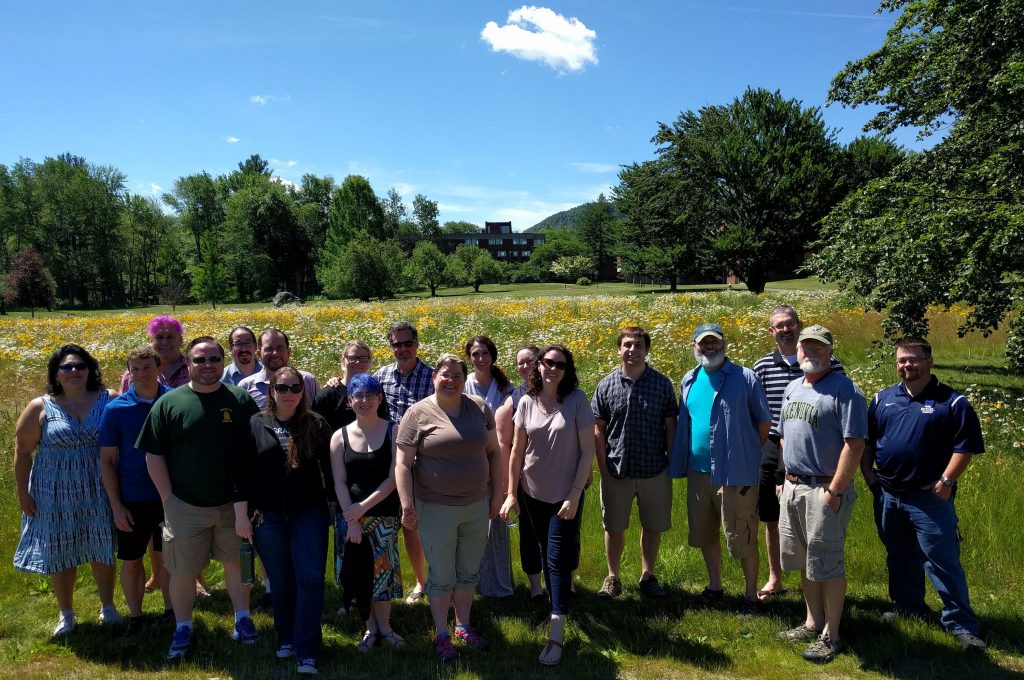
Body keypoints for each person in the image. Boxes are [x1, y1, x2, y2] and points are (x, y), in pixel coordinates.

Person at [137, 336, 260, 661]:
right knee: (182, 570)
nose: (208, 366)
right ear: (187, 364)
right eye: (200, 360)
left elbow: (253, 452)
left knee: (237, 564)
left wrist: (247, 502)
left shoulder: (240, 399)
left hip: (233, 507)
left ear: (223, 362)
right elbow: (153, 455)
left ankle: (242, 619)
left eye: (213, 359)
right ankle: (183, 625)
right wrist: (168, 499)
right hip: (185, 506)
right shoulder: (170, 403)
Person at [862, 336, 987, 652]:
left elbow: (965, 447)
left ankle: (962, 625)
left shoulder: (952, 402)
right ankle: (908, 606)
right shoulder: (882, 399)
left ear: (929, 361)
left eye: (914, 359)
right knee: (899, 555)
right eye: (902, 360)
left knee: (941, 561)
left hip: (929, 498)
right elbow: (865, 441)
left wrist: (946, 481)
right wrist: (869, 477)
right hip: (888, 495)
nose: (907, 365)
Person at [395, 354, 501, 662]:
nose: (451, 380)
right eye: (445, 374)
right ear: (434, 378)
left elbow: (494, 451)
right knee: (441, 575)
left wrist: (498, 494)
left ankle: (463, 626)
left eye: (457, 375)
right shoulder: (417, 414)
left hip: (477, 505)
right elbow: (402, 464)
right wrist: (407, 504)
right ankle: (441, 634)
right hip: (435, 507)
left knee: (468, 572)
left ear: (463, 378)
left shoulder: (480, 408)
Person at [13, 344, 119, 636]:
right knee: (61, 551)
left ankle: (108, 607)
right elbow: (22, 452)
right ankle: (66, 614)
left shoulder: (109, 399)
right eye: (67, 367)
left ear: (90, 370)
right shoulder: (40, 406)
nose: (74, 371)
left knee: (102, 547)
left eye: (80, 366)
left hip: (98, 486)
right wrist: (24, 493)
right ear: (56, 373)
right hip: (54, 491)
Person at [236, 366, 335, 676]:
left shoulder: (316, 424)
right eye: (282, 388)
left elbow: (331, 472)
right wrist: (242, 514)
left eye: (295, 388)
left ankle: (307, 649)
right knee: (280, 580)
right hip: (267, 515)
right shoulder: (255, 423)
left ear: (303, 392)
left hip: (309, 513)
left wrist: (333, 506)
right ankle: (287, 637)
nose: (289, 394)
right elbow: (241, 472)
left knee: (310, 579)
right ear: (272, 391)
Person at [776, 325, 867, 663]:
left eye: (819, 347)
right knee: (804, 560)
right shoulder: (792, 388)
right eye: (806, 347)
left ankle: (832, 634)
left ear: (830, 351)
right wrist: (787, 476)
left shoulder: (846, 390)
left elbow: (855, 444)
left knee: (826, 563)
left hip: (825, 489)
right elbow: (783, 434)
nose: (811, 353)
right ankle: (812, 621)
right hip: (793, 486)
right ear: (797, 351)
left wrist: (835, 490)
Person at [501, 345, 595, 666]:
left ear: (567, 370)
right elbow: (516, 452)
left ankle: (556, 634)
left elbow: (587, 453)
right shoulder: (525, 402)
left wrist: (574, 493)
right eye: (547, 362)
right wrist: (511, 494)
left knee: (556, 558)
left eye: (560, 364)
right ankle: (553, 603)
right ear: (538, 365)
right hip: (531, 494)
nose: (552, 368)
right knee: (542, 552)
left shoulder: (578, 401)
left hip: (563, 498)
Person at [670, 323, 771, 612]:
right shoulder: (689, 379)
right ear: (694, 347)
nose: (710, 347)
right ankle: (715, 587)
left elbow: (763, 424)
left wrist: (745, 453)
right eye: (704, 343)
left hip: (735, 475)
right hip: (699, 473)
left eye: (715, 342)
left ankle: (751, 595)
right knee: (706, 534)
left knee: (743, 536)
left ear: (724, 345)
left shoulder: (745, 378)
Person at [753, 305, 844, 599]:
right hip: (773, 444)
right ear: (771, 332)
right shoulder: (762, 366)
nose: (785, 330)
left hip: (813, 445)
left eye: (790, 324)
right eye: (779, 326)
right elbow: (756, 409)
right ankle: (775, 576)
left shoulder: (829, 363)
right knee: (771, 514)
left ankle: (820, 579)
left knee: (816, 516)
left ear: (799, 325)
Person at [591, 327, 678, 599]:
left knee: (652, 526)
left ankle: (647, 575)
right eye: (627, 344)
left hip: (655, 469)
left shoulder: (662, 384)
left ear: (646, 349)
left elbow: (670, 426)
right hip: (618, 470)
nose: (632, 349)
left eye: (638, 344)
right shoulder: (606, 385)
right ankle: (613, 576)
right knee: (614, 527)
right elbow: (598, 429)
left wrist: (672, 463)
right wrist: (603, 468)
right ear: (619, 349)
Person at [99, 346, 173, 635]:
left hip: (169, 497)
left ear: (158, 368)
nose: (142, 374)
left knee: (169, 558)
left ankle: (172, 611)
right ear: (128, 372)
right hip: (132, 498)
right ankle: (136, 616)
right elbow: (107, 460)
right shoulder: (116, 409)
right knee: (131, 561)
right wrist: (116, 505)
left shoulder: (174, 400)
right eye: (135, 369)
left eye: (147, 367)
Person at [330, 373, 405, 653]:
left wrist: (363, 508)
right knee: (359, 574)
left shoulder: (393, 431)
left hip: (383, 516)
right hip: (349, 519)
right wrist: (352, 517)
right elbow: (338, 481)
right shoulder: (340, 436)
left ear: (379, 398)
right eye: (358, 396)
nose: (364, 401)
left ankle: (385, 627)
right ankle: (369, 627)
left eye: (369, 395)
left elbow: (393, 478)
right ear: (350, 400)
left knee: (383, 577)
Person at [374, 321, 433, 603]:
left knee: (422, 527)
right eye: (397, 344)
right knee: (400, 523)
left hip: (425, 463)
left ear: (417, 344)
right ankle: (415, 581)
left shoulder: (433, 376)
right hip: (389, 463)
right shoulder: (381, 376)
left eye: (407, 343)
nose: (402, 349)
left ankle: (430, 581)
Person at [495, 344, 547, 601]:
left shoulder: (556, 392)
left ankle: (563, 584)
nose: (525, 367)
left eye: (530, 361)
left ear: (541, 362)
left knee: (559, 533)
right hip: (525, 479)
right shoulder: (513, 399)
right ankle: (536, 588)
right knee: (529, 533)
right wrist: (509, 488)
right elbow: (504, 444)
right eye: (520, 363)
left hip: (555, 475)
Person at [464, 335, 514, 598]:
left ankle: (499, 584)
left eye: (484, 353)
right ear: (469, 358)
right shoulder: (463, 385)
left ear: (492, 356)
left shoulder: (506, 388)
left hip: (498, 464)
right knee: (471, 528)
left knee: (496, 525)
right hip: (469, 466)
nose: (480, 359)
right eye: (474, 354)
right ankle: (474, 584)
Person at [312, 339, 388, 434]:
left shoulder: (376, 391)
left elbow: (382, 423)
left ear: (369, 361)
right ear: (344, 360)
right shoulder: (327, 395)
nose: (357, 362)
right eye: (352, 358)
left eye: (363, 358)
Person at [239, 328, 319, 410]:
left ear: (289, 352)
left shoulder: (308, 380)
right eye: (269, 349)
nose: (275, 353)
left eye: (280, 348)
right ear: (259, 354)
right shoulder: (246, 387)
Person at [120, 315, 190, 391]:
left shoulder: (193, 369)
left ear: (180, 340)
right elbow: (123, 401)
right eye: (159, 338)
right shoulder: (134, 372)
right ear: (151, 341)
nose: (165, 342)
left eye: (170, 337)